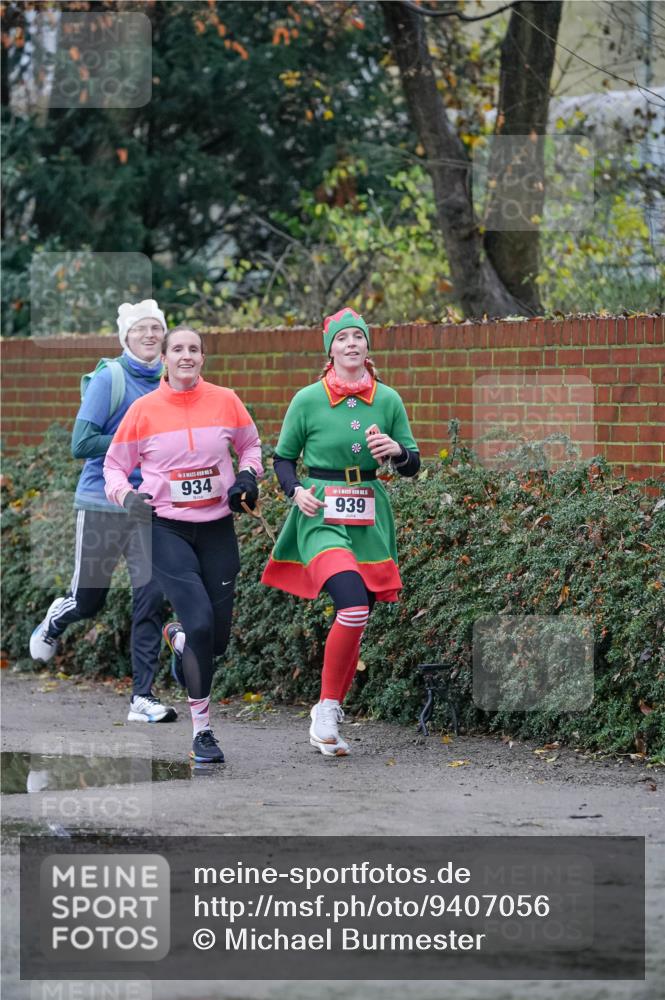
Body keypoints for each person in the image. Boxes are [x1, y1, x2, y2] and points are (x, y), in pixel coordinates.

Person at [261, 307, 420, 757]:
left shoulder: (387, 399)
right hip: (321, 513)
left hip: (369, 515)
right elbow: (282, 459)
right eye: (343, 338)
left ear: (368, 347)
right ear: (330, 349)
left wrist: (395, 452)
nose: (352, 344)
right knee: (350, 604)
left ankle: (328, 712)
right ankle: (327, 709)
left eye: (359, 337)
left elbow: (412, 463)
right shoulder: (308, 399)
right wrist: (295, 493)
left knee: (360, 615)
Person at [103, 325, 263, 764]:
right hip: (165, 529)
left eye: (194, 349)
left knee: (214, 639)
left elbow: (250, 447)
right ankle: (203, 732)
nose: (186, 356)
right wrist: (128, 497)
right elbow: (113, 467)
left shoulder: (226, 400)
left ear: (203, 357)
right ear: (166, 359)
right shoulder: (144, 410)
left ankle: (180, 642)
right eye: (178, 349)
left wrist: (248, 476)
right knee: (199, 619)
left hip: (217, 528)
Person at [29, 300, 177, 724]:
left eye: (156, 328)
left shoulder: (170, 383)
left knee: (150, 598)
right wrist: (132, 443)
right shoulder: (110, 378)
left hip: (148, 507)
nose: (150, 335)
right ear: (126, 337)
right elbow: (81, 443)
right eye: (141, 329)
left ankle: (142, 698)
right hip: (101, 503)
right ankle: (55, 621)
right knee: (89, 601)